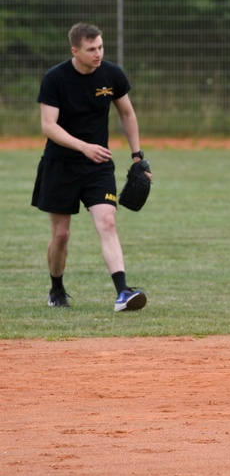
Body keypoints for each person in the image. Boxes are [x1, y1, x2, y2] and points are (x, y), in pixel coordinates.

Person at [31, 22, 149, 312]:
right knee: (61, 235)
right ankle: (57, 289)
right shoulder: (55, 78)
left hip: (98, 166)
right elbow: (48, 126)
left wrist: (137, 155)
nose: (98, 53)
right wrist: (83, 146)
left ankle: (123, 292)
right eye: (91, 49)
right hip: (60, 165)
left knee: (107, 222)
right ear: (75, 51)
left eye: (101, 47)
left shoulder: (112, 74)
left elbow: (127, 113)